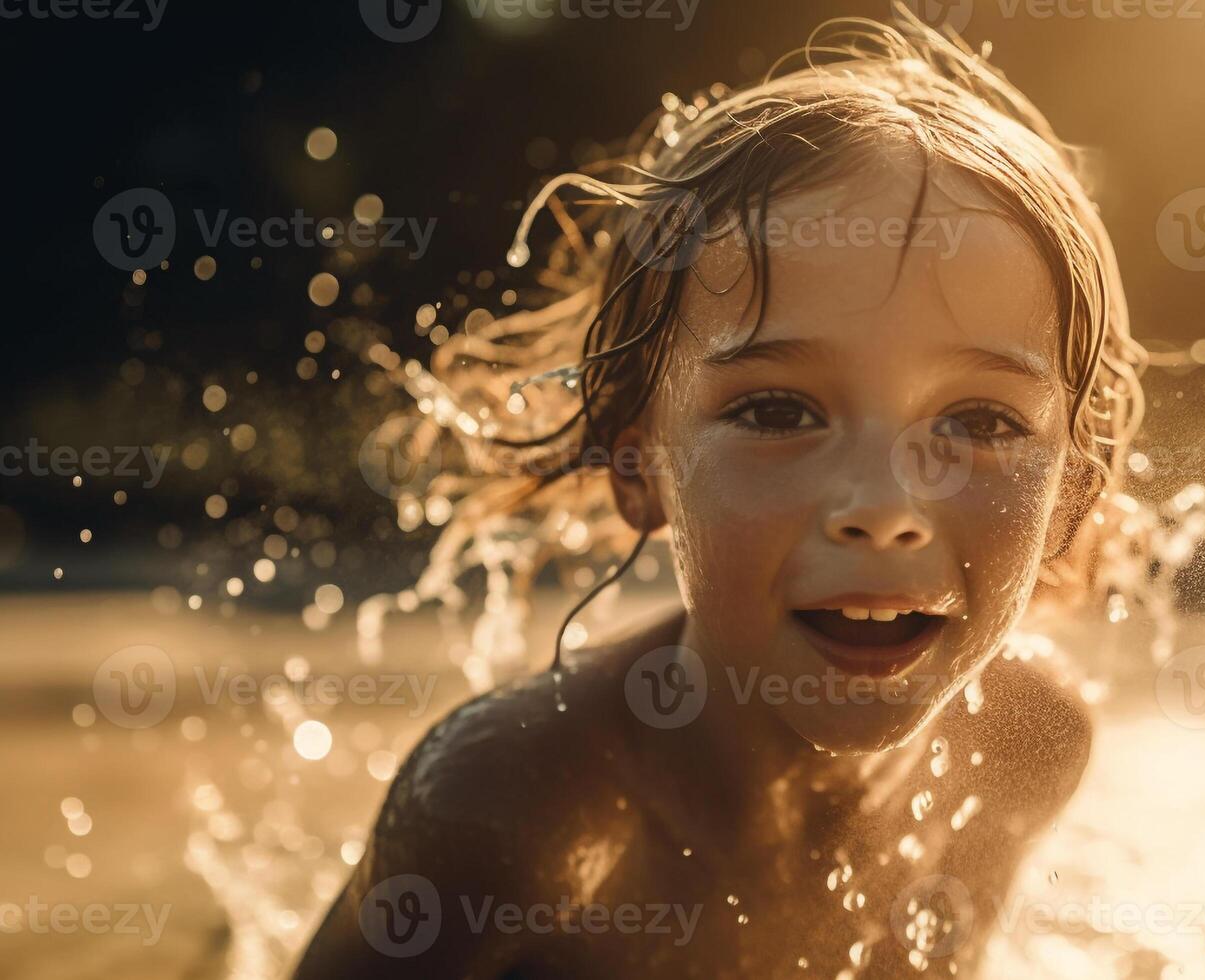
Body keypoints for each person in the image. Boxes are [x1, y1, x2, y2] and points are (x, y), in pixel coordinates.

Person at [296, 9, 1150, 976]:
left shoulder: (1027, 748)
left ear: (1070, 498)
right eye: (779, 411)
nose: (881, 503)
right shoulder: (514, 811)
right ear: (640, 468)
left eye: (982, 423)